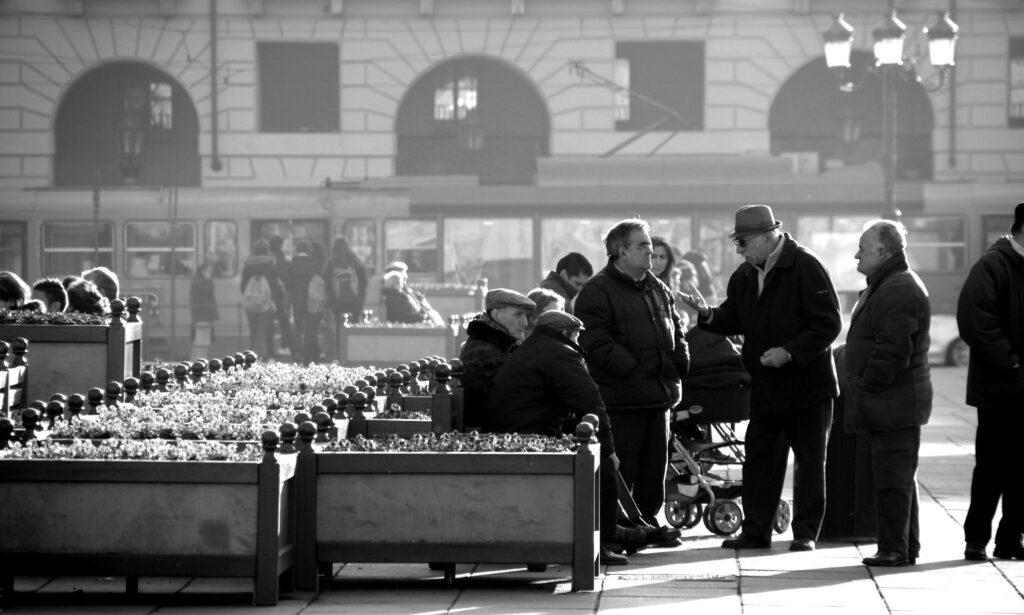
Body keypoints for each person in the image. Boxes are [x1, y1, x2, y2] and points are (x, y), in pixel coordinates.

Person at [679, 204, 841, 552]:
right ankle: (756, 532)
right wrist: (706, 313)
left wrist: (790, 352)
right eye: (737, 243)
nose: (740, 250)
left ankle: (805, 533)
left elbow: (828, 323)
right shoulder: (745, 274)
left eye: (744, 242)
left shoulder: (806, 265)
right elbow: (733, 318)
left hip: (808, 387)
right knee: (760, 461)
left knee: (810, 463)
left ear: (769, 236)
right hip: (766, 387)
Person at [484, 309, 643, 565]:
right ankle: (603, 542)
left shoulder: (531, 349)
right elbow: (592, 405)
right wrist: (610, 450)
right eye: (577, 336)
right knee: (601, 467)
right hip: (530, 442)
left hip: (510, 436)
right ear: (567, 333)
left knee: (595, 455)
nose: (579, 342)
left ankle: (626, 529)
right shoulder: (562, 354)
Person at [574, 218, 689, 543]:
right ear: (620, 250)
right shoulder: (597, 291)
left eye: (650, 246)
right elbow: (594, 342)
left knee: (654, 470)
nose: (650, 252)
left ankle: (647, 523)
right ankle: (619, 530)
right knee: (623, 470)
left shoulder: (656, 286)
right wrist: (635, 368)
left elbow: (677, 329)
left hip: (659, 396)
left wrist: (680, 361)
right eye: (642, 246)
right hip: (623, 398)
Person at [844, 219, 932, 567]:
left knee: (893, 480)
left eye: (863, 249)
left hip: (893, 403)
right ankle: (904, 547)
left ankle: (893, 549)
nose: (856, 256)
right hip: (894, 402)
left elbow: (893, 351)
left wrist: (867, 385)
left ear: (882, 251)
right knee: (899, 478)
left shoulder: (897, 288)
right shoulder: (890, 283)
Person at [957, 202, 1024, 562]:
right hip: (999, 389)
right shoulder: (993, 265)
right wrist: (1012, 365)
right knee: (992, 468)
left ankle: (1011, 539)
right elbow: (975, 322)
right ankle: (976, 539)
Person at [458, 288, 535, 429]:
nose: (524, 322)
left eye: (524, 315)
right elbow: (513, 397)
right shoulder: (484, 352)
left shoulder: (493, 343)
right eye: (518, 315)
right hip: (489, 435)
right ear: (496, 314)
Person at [241, 238, 286, 361]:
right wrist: (278, 299)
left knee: (253, 331)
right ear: (267, 250)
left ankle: (252, 355)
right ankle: (263, 355)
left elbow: (243, 286)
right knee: (264, 329)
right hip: (266, 302)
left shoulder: (248, 265)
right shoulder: (271, 264)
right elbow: (274, 284)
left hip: (251, 304)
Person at [324, 236, 368, 359]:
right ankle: (354, 353)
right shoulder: (356, 261)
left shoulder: (332, 263)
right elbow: (364, 282)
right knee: (354, 326)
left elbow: (327, 284)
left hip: (338, 302)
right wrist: (360, 298)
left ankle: (341, 353)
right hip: (355, 301)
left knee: (340, 327)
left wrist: (332, 300)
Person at [288, 240, 322, 363]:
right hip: (312, 299)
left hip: (297, 299)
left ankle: (297, 355)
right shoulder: (313, 263)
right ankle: (309, 357)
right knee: (310, 328)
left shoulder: (293, 264)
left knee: (298, 328)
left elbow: (288, 283)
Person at [268, 235, 294, 359]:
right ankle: (285, 347)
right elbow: (289, 278)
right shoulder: (286, 260)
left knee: (269, 323)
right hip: (283, 295)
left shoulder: (268, 259)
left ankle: (270, 350)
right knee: (285, 323)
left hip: (269, 295)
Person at [189, 262, 219, 360]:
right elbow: (209, 290)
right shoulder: (200, 283)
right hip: (203, 315)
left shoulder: (197, 282)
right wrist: (209, 279)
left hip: (202, 315)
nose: (210, 273)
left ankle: (197, 359)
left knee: (202, 340)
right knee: (203, 342)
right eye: (209, 271)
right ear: (203, 271)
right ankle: (199, 360)